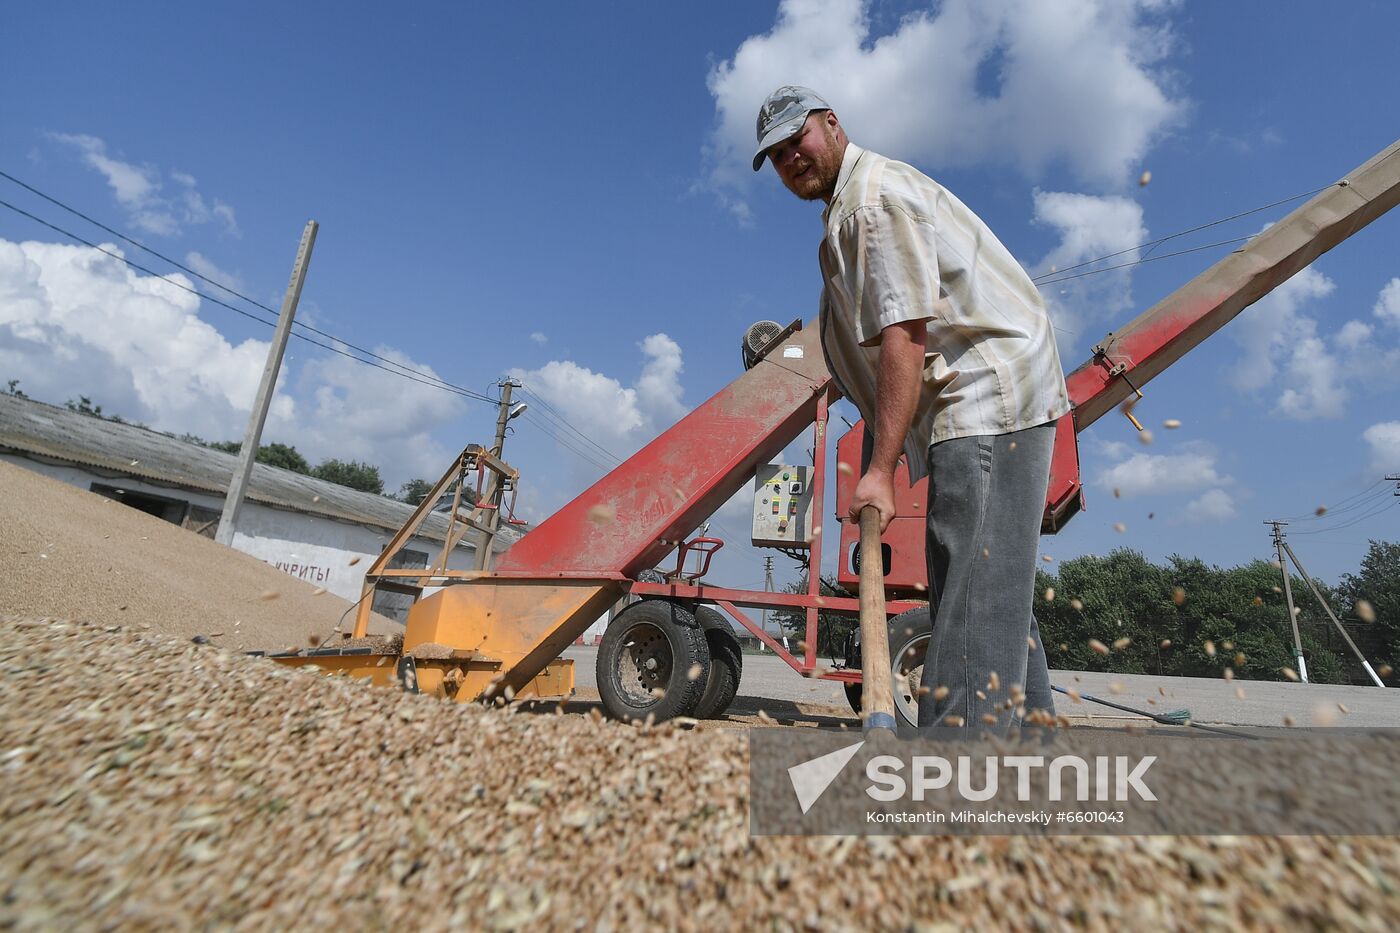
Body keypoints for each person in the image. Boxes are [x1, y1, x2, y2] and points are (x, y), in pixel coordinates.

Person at [753, 86, 1070, 732]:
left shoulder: (869, 203)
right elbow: (874, 346)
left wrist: (880, 468)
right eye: (778, 156)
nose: (792, 159)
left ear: (833, 125)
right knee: (987, 593)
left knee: (973, 599)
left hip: (983, 396)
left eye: (798, 140)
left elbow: (904, 334)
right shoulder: (851, 209)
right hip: (984, 396)